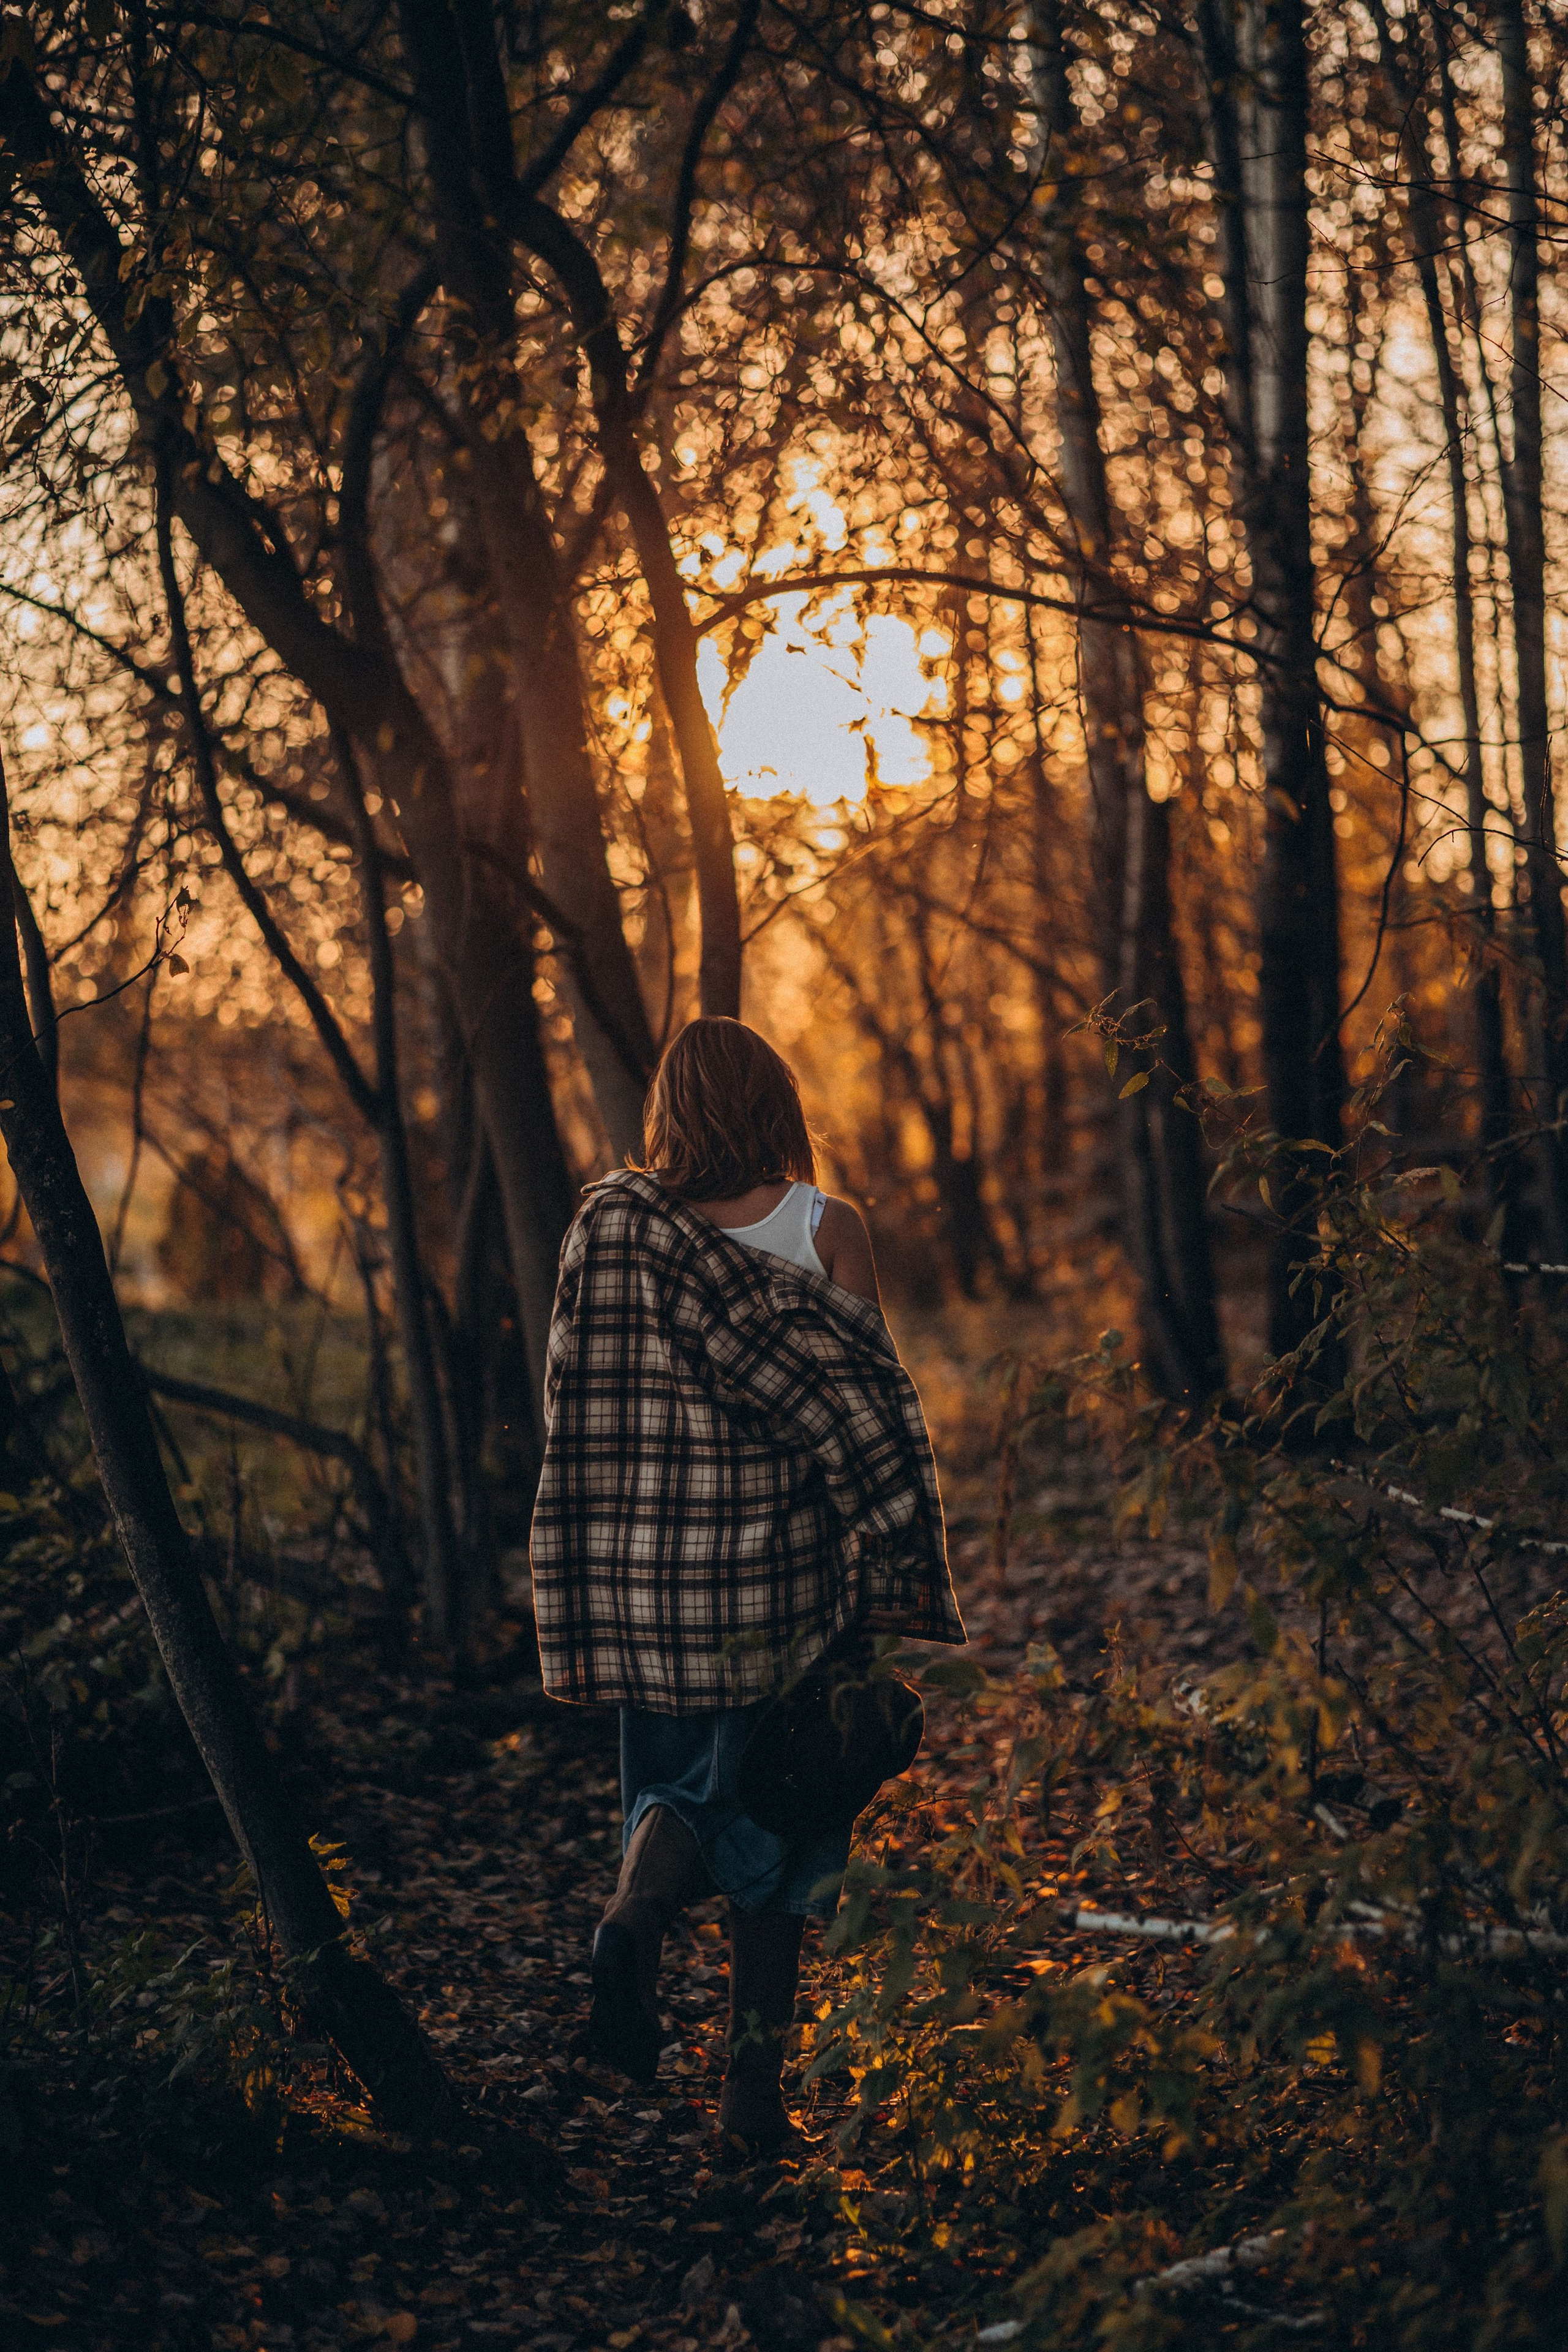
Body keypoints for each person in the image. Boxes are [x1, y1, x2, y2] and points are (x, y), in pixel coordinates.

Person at [529, 1016, 964, 2153]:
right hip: (790, 1586)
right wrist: (892, 1561)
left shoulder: (612, 1228)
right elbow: (861, 1401)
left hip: (658, 1588)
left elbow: (578, 1399)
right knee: (786, 1820)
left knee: (675, 1788)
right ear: (777, 1101)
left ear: (669, 1110)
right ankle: (749, 2104)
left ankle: (636, 1914)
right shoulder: (823, 1228)